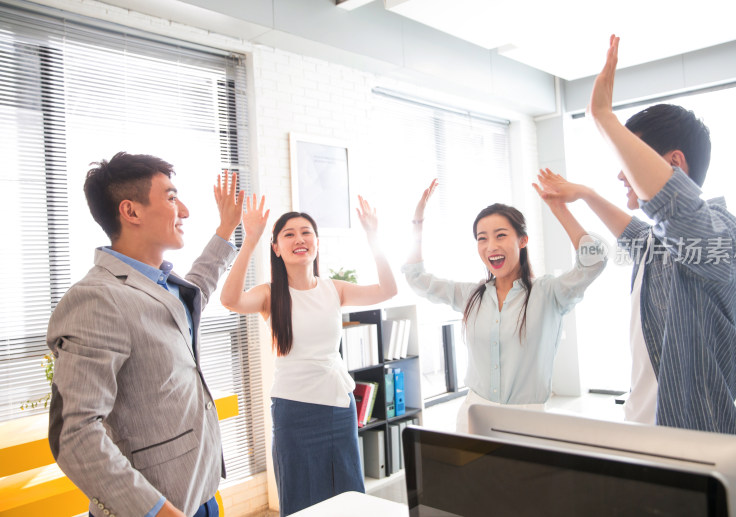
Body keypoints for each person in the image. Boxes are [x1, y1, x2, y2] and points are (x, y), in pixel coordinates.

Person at [535, 35, 736, 435]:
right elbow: (637, 233)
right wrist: (584, 194)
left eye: (628, 159)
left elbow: (677, 210)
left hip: (695, 437)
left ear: (674, 163)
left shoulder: (727, 235)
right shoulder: (662, 242)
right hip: (642, 426)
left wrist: (604, 119)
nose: (622, 172)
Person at [47, 152, 244, 517]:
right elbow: (74, 435)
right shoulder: (97, 299)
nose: (183, 210)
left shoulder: (161, 287)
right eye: (171, 197)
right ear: (131, 211)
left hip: (201, 495)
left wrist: (225, 230)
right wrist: (155, 510)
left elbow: (196, 289)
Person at [219, 194, 397, 516]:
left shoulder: (335, 288)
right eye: (289, 234)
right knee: (302, 498)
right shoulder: (270, 295)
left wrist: (373, 237)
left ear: (316, 242)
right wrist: (250, 241)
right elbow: (229, 299)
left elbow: (388, 290)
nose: (299, 239)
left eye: (306, 232)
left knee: (347, 497)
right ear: (276, 247)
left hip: (337, 407)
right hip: (294, 411)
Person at [402, 179, 607, 432]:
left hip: (528, 422)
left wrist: (559, 209)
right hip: (473, 416)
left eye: (501, 235)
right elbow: (416, 278)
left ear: (522, 241)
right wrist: (417, 222)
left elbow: (594, 262)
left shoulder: (548, 293)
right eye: (482, 238)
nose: (491, 246)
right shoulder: (471, 295)